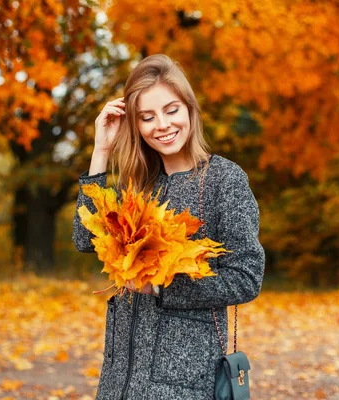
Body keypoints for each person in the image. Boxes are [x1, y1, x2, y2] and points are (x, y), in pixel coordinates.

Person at [72, 54, 265, 400]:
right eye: (147, 117)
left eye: (171, 110)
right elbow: (85, 238)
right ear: (137, 125)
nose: (161, 125)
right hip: (121, 379)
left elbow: (247, 277)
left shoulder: (223, 179)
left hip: (183, 381)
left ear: (189, 109)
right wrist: (101, 149)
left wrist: (162, 289)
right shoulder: (141, 184)